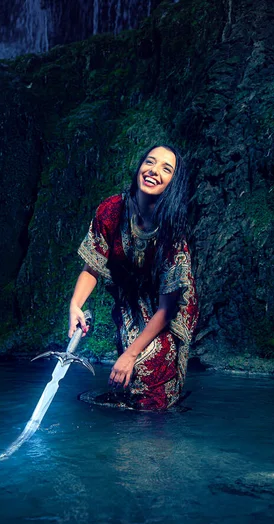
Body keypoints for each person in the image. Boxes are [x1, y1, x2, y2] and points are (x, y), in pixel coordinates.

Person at [68, 145, 199, 411]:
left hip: (170, 306)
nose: (154, 171)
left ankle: (157, 426)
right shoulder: (111, 210)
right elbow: (93, 265)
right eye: (149, 162)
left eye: (166, 169)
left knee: (149, 365)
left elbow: (167, 308)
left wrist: (130, 354)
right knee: (132, 371)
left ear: (173, 182)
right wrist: (75, 305)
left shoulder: (173, 233)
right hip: (129, 294)